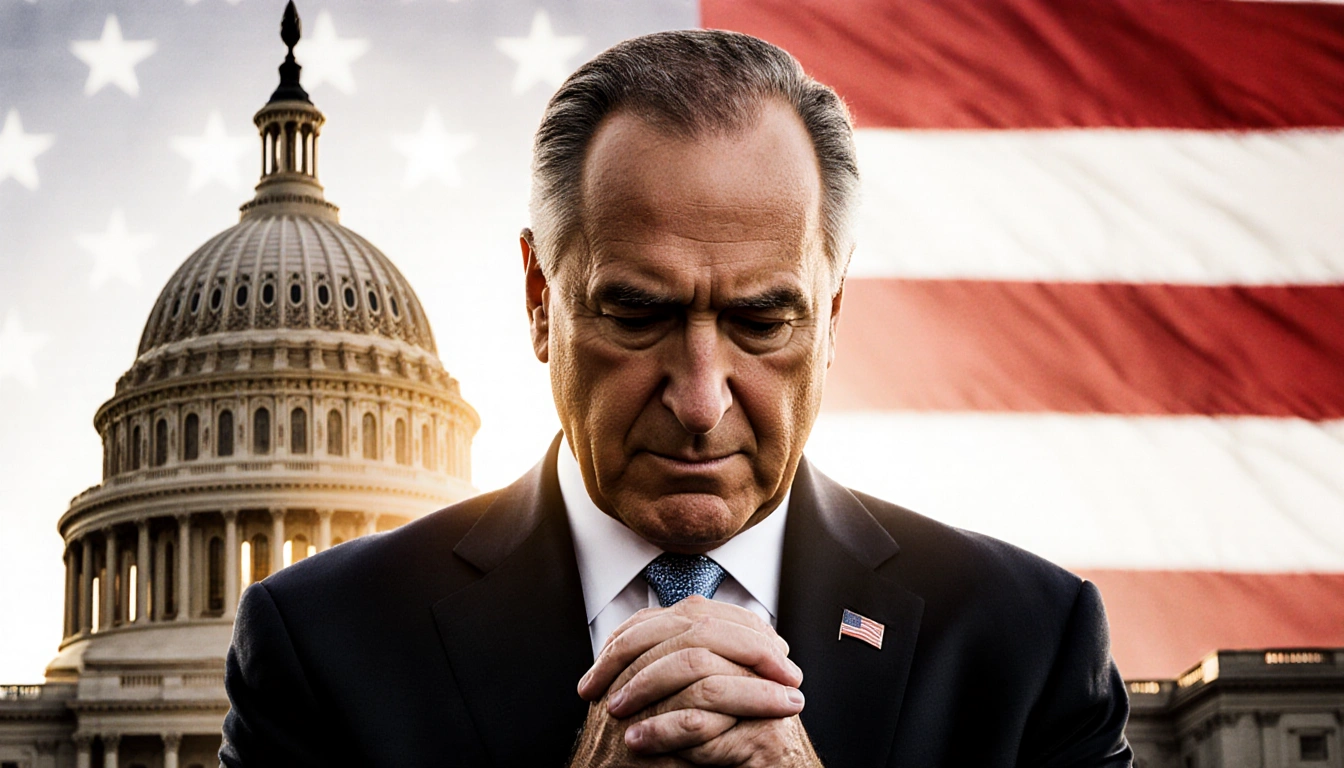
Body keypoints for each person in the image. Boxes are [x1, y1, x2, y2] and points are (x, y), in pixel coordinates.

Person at [219, 29, 1132, 768]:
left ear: (834, 312)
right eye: (638, 313)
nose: (700, 401)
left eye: (762, 322)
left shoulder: (1024, 646)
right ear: (542, 303)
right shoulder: (324, 646)